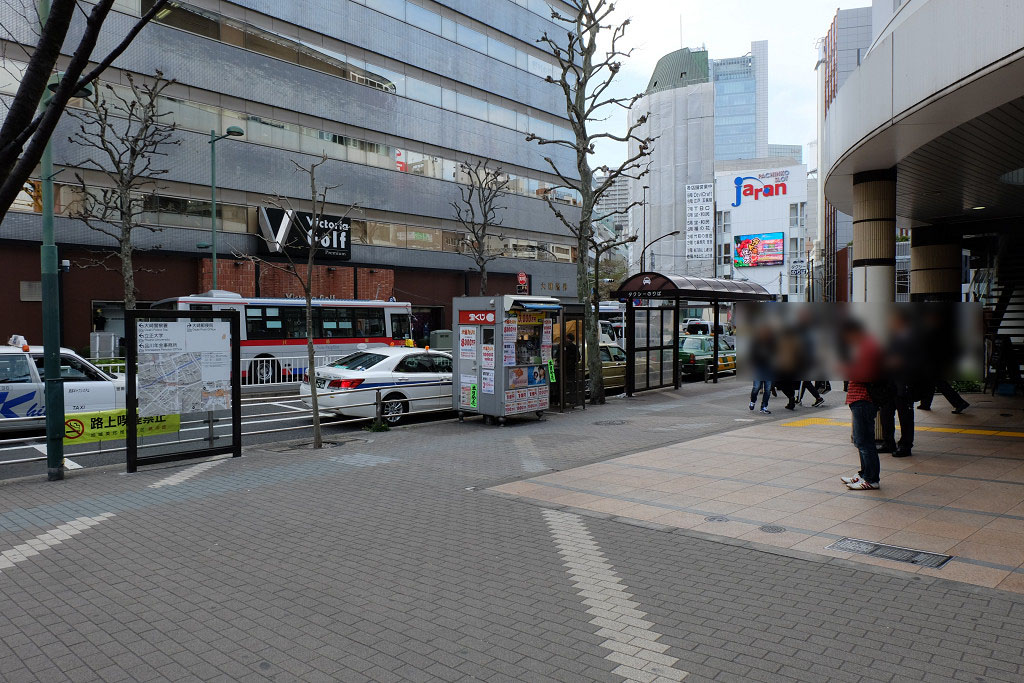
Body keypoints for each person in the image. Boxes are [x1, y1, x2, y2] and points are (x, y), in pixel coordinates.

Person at [837, 319, 884, 491]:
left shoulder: (868, 347)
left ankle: (871, 479)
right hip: (859, 400)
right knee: (861, 440)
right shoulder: (865, 346)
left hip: (864, 400)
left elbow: (868, 375)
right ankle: (864, 474)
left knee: (864, 441)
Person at [748, 325, 775, 415]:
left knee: (767, 389)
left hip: (769, 368)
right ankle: (752, 401)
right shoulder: (756, 342)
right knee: (756, 387)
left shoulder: (772, 343)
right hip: (758, 367)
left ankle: (764, 407)